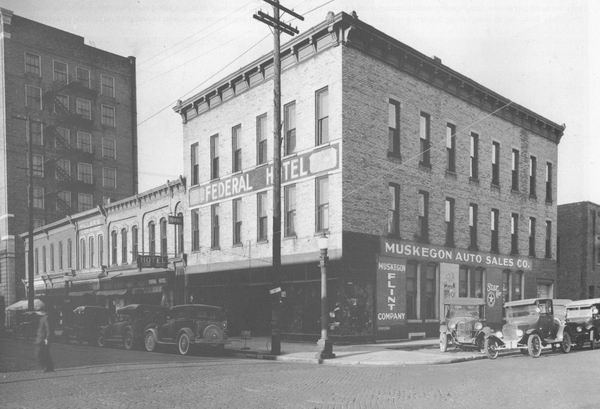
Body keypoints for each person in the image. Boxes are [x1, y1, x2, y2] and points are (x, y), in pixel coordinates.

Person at [35, 306, 54, 373]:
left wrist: (47, 338)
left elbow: (48, 329)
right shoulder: (43, 318)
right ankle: (50, 367)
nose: (37, 313)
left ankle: (45, 367)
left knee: (40, 354)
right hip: (41, 338)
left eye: (38, 311)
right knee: (46, 353)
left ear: (42, 311)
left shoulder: (46, 318)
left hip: (42, 339)